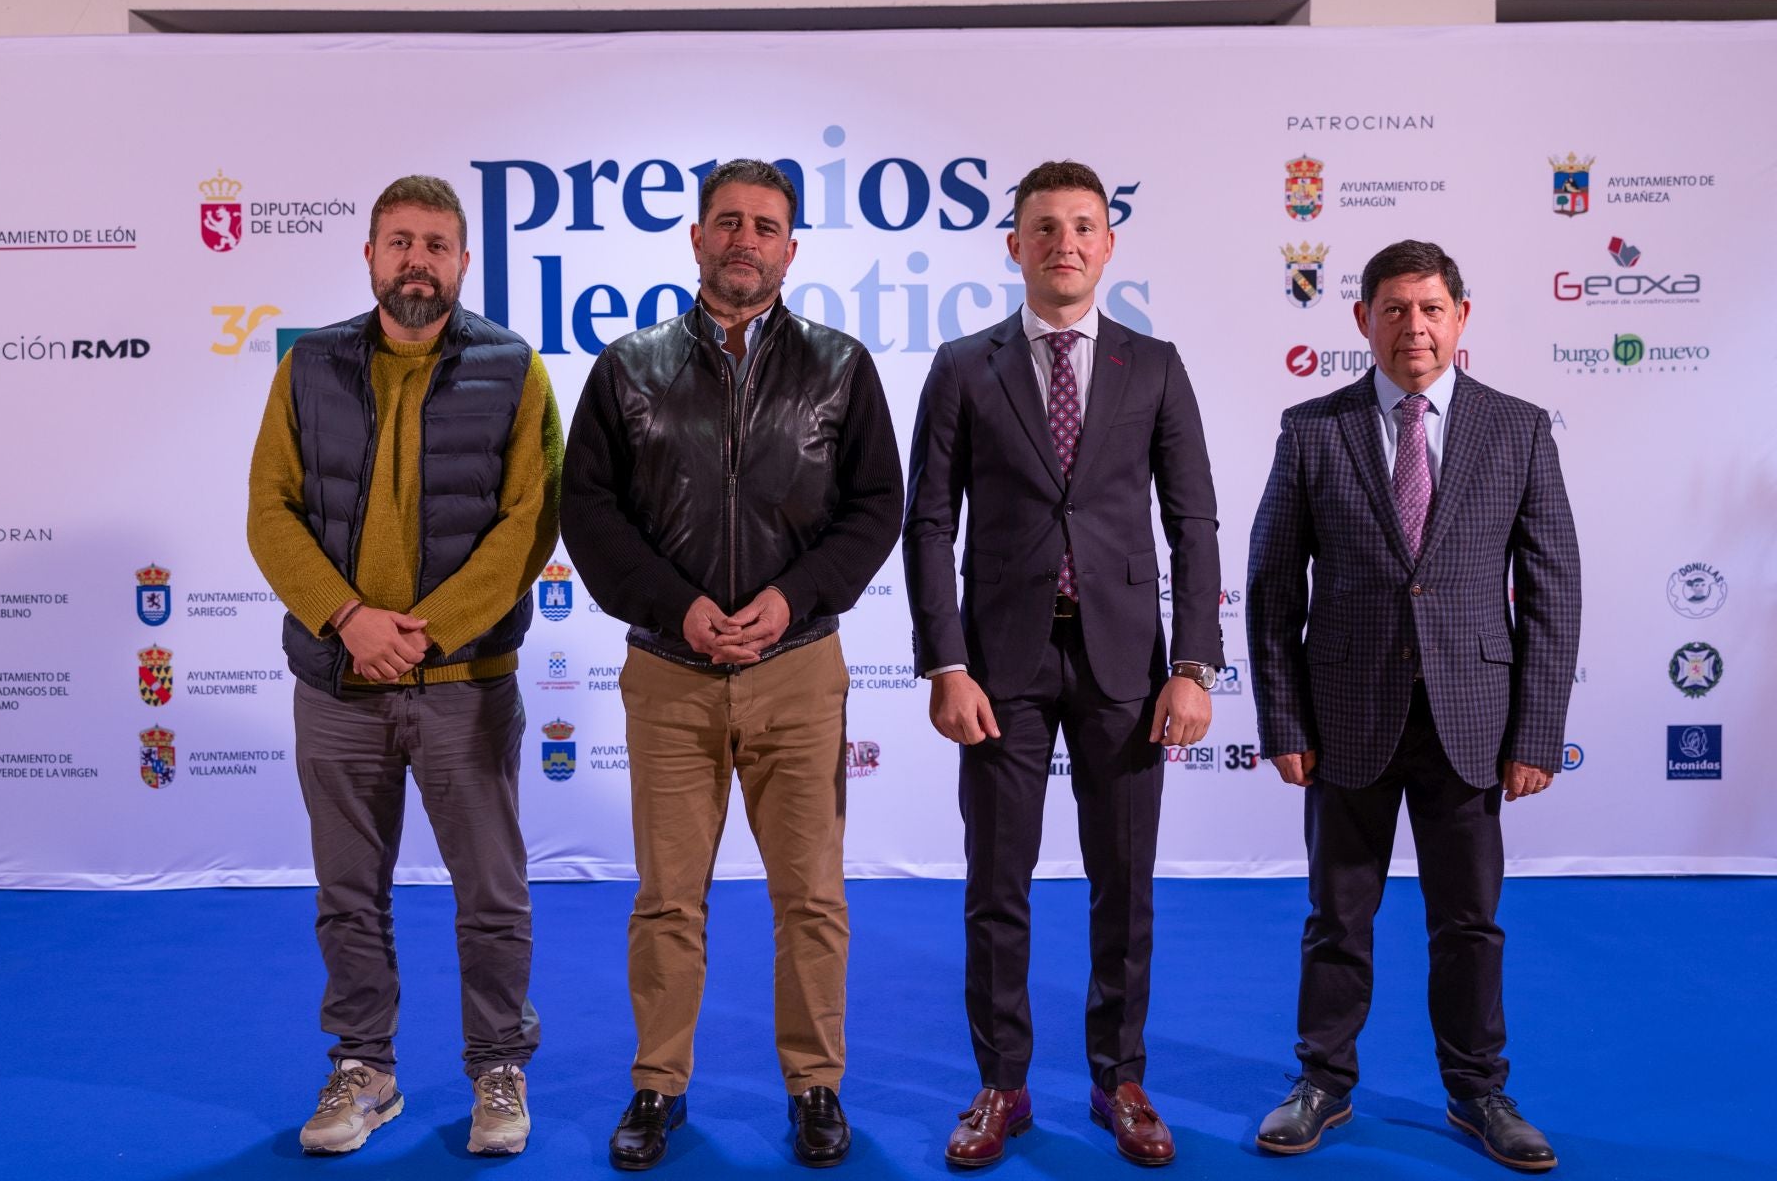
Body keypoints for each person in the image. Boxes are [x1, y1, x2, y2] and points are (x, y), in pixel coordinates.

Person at [562, 158, 902, 1170]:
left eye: (765, 225)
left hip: (799, 665)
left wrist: (790, 596)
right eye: (727, 222)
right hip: (669, 667)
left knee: (811, 895)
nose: (744, 239)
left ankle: (817, 1085)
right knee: (669, 896)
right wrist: (683, 606)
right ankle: (658, 1084)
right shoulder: (628, 366)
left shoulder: (841, 366)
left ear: (790, 248)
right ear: (697, 238)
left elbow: (876, 505)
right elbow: (588, 510)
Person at [902, 159, 1224, 1169]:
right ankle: (1001, 1083)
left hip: (1129, 660)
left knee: (1123, 883)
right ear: (1015, 246)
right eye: (1044, 227)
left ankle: (1119, 1076)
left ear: (1109, 244)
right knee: (996, 881)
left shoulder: (1156, 365)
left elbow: (1195, 520)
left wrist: (1198, 664)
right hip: (1000, 662)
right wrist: (943, 662)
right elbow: (926, 524)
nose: (1065, 243)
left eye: (1083, 226)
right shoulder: (962, 365)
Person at [1246, 240, 1580, 1172]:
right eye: (1394, 310)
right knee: (1336, 917)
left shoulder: (1518, 429)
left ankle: (1480, 1092)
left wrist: (1537, 730)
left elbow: (1553, 588)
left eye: (1431, 309)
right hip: (1345, 716)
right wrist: (1283, 720)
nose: (1414, 328)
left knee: (1469, 921)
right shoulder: (1313, 429)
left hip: (1472, 720)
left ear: (1462, 317)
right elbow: (1273, 588)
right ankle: (1322, 1084)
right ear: (1362, 322)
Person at [247, 174, 561, 1157]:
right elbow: (270, 510)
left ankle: (498, 1065)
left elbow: (531, 519)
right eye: (399, 241)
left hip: (462, 683)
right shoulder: (308, 368)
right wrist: (348, 618)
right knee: (347, 889)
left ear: (464, 262)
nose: (416, 259)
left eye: (436, 243)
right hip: (339, 681)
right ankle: (365, 1066)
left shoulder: (515, 368)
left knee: (491, 890)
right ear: (371, 255)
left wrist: (421, 631)